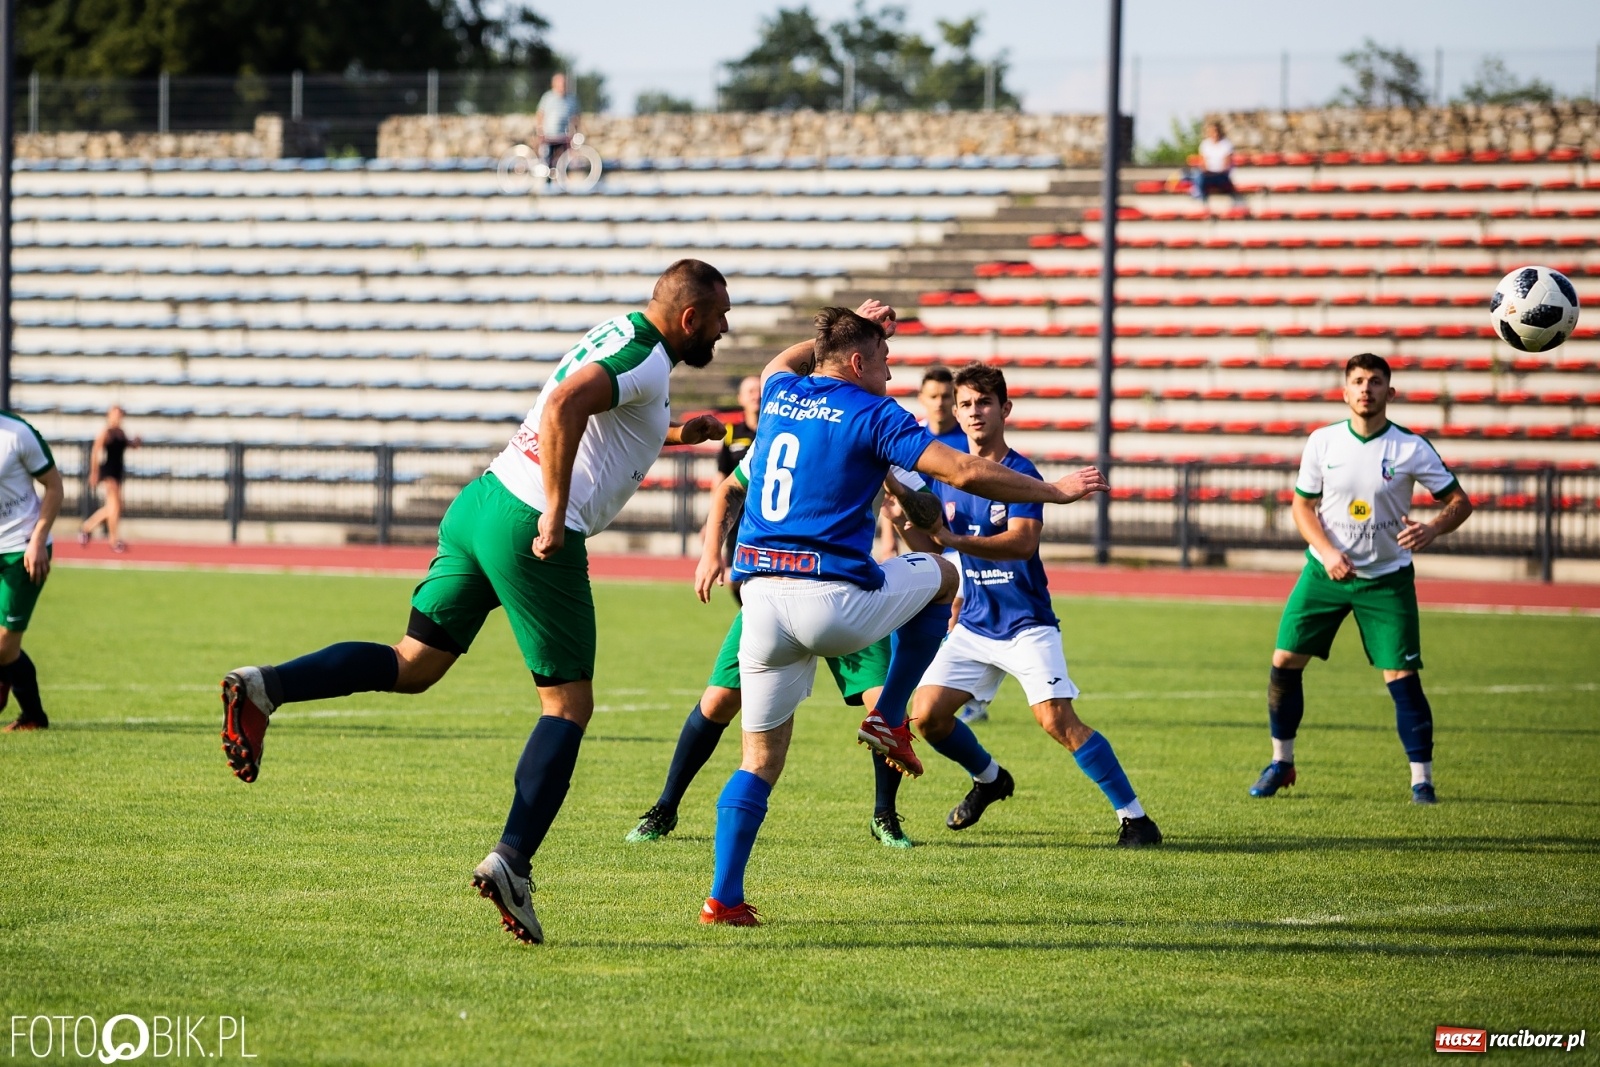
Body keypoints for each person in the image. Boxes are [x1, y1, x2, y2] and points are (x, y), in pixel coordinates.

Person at [217, 259, 730, 944]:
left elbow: (597, 417)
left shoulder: (622, 334)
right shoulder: (646, 354)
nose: (725, 330)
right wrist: (553, 511)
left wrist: (670, 433)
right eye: (721, 317)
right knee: (569, 705)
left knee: (414, 664)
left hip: (483, 502)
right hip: (529, 524)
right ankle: (512, 860)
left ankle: (264, 687)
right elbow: (566, 406)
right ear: (690, 317)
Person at [700, 306, 1109, 926]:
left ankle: (723, 899)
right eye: (886, 361)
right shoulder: (874, 413)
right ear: (860, 363)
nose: (892, 377)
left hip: (758, 601)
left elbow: (781, 361)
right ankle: (891, 718)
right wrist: (1054, 492)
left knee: (757, 761)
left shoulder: (782, 392)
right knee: (947, 578)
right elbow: (966, 470)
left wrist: (847, 324)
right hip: (829, 600)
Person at [889, 363, 1161, 847]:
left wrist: (953, 539)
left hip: (1025, 623)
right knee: (927, 716)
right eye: (966, 404)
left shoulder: (1019, 474)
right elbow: (932, 548)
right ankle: (991, 778)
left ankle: (1136, 819)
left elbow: (1021, 544)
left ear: (1005, 410)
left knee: (1057, 720)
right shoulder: (949, 474)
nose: (975, 413)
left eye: (985, 403)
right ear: (956, 410)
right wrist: (902, 522)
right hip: (973, 623)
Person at [625, 448, 918, 850]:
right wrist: (712, 551)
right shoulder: (780, 430)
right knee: (717, 702)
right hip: (775, 589)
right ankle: (665, 807)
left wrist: (901, 512)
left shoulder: (868, 429)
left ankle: (884, 815)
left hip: (845, 591)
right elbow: (729, 487)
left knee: (884, 707)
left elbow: (916, 508)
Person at [1250, 353, 1474, 805]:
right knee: (1284, 661)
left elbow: (1459, 502)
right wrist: (1329, 553)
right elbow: (1301, 507)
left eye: (1374, 382)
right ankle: (1281, 763)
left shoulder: (1411, 447)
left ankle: (1421, 781)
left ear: (1390, 393)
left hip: (1386, 579)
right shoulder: (1323, 442)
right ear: (1345, 390)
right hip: (1324, 572)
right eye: (1357, 381)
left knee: (1402, 674)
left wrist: (1432, 528)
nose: (1365, 389)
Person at [0, 413, 64, 733]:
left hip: (21, 549)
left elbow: (54, 486)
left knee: (4, 646)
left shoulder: (17, 433)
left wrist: (38, 539)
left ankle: (34, 717)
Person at [78, 405, 139, 553]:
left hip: (118, 472)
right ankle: (113, 540)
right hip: (109, 472)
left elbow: (129, 445)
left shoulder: (120, 433)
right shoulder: (107, 432)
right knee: (114, 506)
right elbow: (95, 451)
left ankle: (87, 528)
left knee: (113, 508)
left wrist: (136, 442)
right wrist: (94, 472)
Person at [1186, 121, 1245, 213]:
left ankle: (1199, 195)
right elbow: (1203, 163)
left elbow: (1226, 166)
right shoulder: (1205, 144)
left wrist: (1212, 171)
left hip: (1222, 176)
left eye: (1215, 131)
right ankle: (1201, 197)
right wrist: (1207, 171)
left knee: (1198, 177)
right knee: (1195, 175)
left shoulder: (1226, 144)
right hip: (1208, 175)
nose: (1214, 134)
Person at [717, 376, 762, 477]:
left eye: (760, 391)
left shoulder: (775, 431)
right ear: (740, 398)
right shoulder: (731, 432)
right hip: (739, 491)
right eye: (751, 391)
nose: (757, 396)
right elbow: (722, 473)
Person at [535, 73, 579, 170]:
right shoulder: (547, 98)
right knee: (547, 161)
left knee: (563, 162)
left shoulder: (571, 100)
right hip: (549, 135)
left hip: (563, 136)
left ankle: (561, 181)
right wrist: (540, 131)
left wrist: (574, 133)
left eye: (563, 84)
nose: (562, 86)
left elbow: (575, 117)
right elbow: (540, 114)